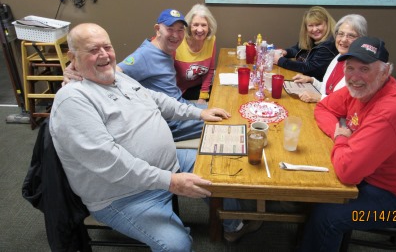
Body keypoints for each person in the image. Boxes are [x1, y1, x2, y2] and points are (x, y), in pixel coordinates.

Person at [50, 23, 261, 251]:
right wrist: (169, 181)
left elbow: (157, 99)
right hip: (125, 195)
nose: (104, 55)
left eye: (107, 47)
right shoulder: (73, 99)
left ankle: (233, 225)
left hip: (168, 167)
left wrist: (199, 113)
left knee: (219, 164)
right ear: (72, 57)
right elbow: (109, 162)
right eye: (93, 50)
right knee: (177, 246)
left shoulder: (118, 78)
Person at [297, 36, 396, 252]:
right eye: (350, 68)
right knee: (316, 188)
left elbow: (347, 172)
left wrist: (341, 139)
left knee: (327, 214)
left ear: (385, 72)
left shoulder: (392, 110)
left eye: (365, 69)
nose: (354, 77)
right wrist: (340, 133)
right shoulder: (361, 88)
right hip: (372, 176)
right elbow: (324, 108)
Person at [64, 9, 205, 142]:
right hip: (171, 121)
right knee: (222, 122)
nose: (175, 35)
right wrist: (75, 69)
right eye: (170, 29)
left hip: (179, 107)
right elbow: (113, 73)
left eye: (180, 30)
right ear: (157, 29)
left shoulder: (165, 49)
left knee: (221, 111)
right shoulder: (145, 54)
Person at [291, 14, 367, 103]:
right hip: (323, 109)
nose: (343, 40)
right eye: (341, 34)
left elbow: (348, 104)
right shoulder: (338, 57)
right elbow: (328, 89)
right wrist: (312, 80)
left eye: (351, 36)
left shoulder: (361, 68)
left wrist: (319, 98)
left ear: (361, 39)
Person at [273, 6, 338, 81]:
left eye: (318, 25)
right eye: (311, 25)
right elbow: (298, 48)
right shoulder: (313, 39)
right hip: (302, 79)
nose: (314, 29)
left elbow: (310, 68)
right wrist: (285, 52)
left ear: (327, 24)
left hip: (316, 87)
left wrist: (280, 61)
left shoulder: (328, 45)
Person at [174, 4, 217, 104]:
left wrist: (203, 97)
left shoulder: (211, 40)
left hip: (199, 86)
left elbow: (210, 70)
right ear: (188, 26)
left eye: (204, 25)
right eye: (196, 25)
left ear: (209, 26)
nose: (200, 30)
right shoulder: (178, 41)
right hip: (179, 90)